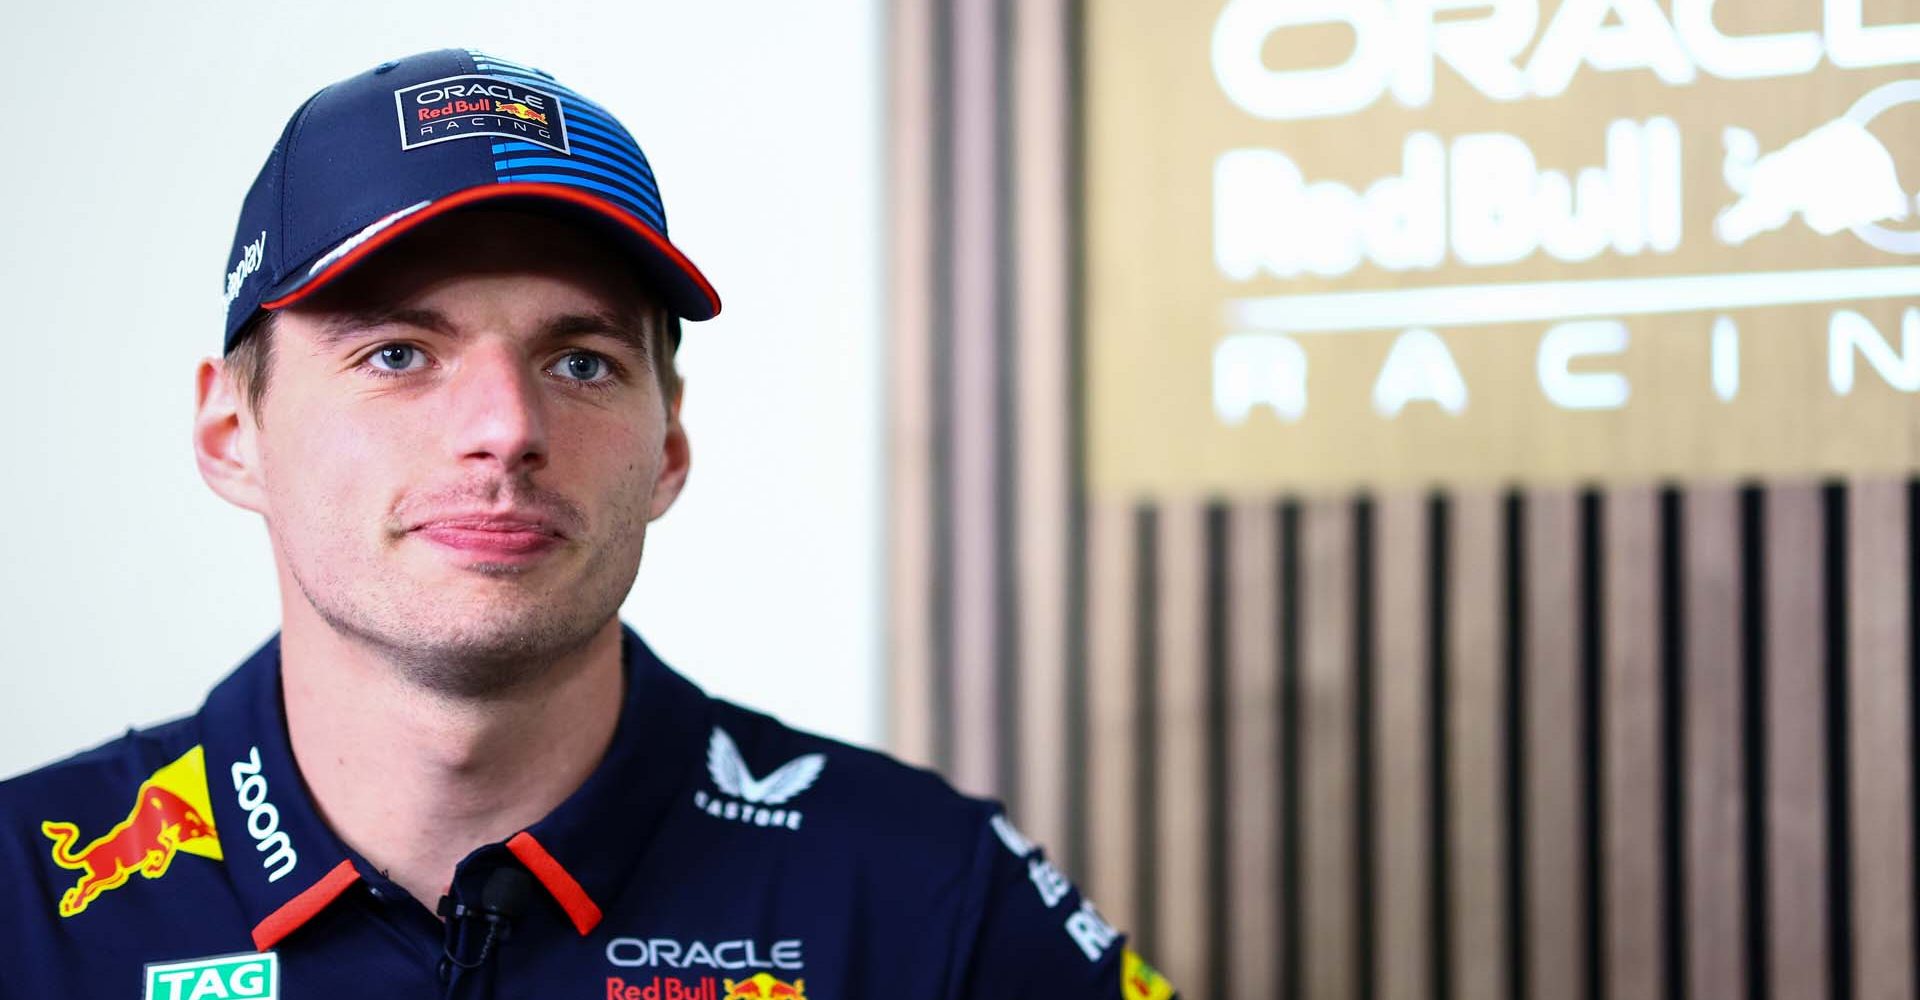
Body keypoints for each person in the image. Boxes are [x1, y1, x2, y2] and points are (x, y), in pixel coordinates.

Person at [0, 49, 1176, 1000]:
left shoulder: (921, 891)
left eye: (580, 359)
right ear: (229, 433)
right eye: (397, 353)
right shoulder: (23, 893)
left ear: (667, 445)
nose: (506, 427)